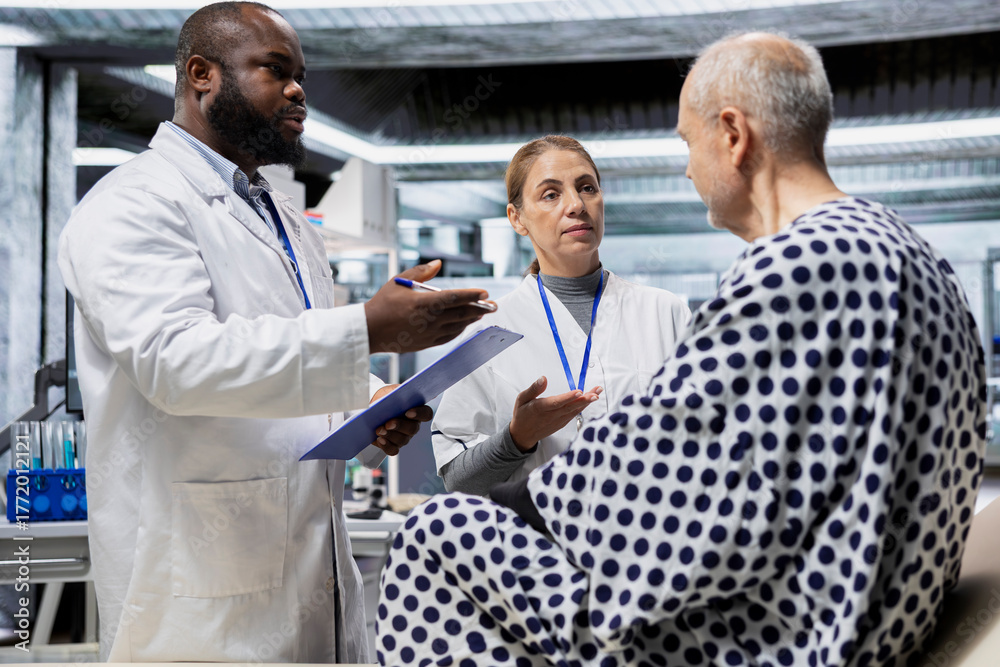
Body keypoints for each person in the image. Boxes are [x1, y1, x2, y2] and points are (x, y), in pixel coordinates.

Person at [375, 32, 987, 667]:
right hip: (867, 609)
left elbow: (677, 473)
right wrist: (516, 451)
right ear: (519, 218)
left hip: (793, 632)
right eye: (551, 194)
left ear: (733, 135)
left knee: (432, 537)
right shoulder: (904, 251)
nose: (688, 169)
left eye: (688, 144)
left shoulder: (799, 266)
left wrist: (520, 508)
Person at [57, 2, 492, 662]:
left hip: (314, 587)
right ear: (201, 74)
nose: (298, 91)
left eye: (302, 76)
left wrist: (370, 405)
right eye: (275, 70)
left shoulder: (285, 219)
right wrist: (366, 331)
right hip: (201, 608)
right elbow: (176, 363)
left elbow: (295, 363)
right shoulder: (131, 204)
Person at [432, 135, 689, 496]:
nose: (576, 205)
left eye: (587, 188)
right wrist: (517, 438)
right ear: (517, 218)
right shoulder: (487, 331)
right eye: (551, 194)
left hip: (650, 543)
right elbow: (457, 480)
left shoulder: (665, 313)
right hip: (536, 548)